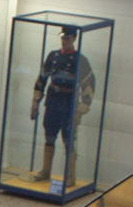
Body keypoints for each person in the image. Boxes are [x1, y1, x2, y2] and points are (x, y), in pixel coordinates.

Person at [30, 26, 95, 183]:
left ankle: (70, 176)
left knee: (68, 139)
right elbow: (42, 78)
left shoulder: (80, 60)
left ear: (74, 39)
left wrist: (82, 108)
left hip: (69, 102)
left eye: (67, 38)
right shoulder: (53, 56)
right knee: (49, 136)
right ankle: (46, 171)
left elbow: (89, 84)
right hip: (53, 101)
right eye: (62, 38)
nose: (64, 41)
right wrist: (36, 100)